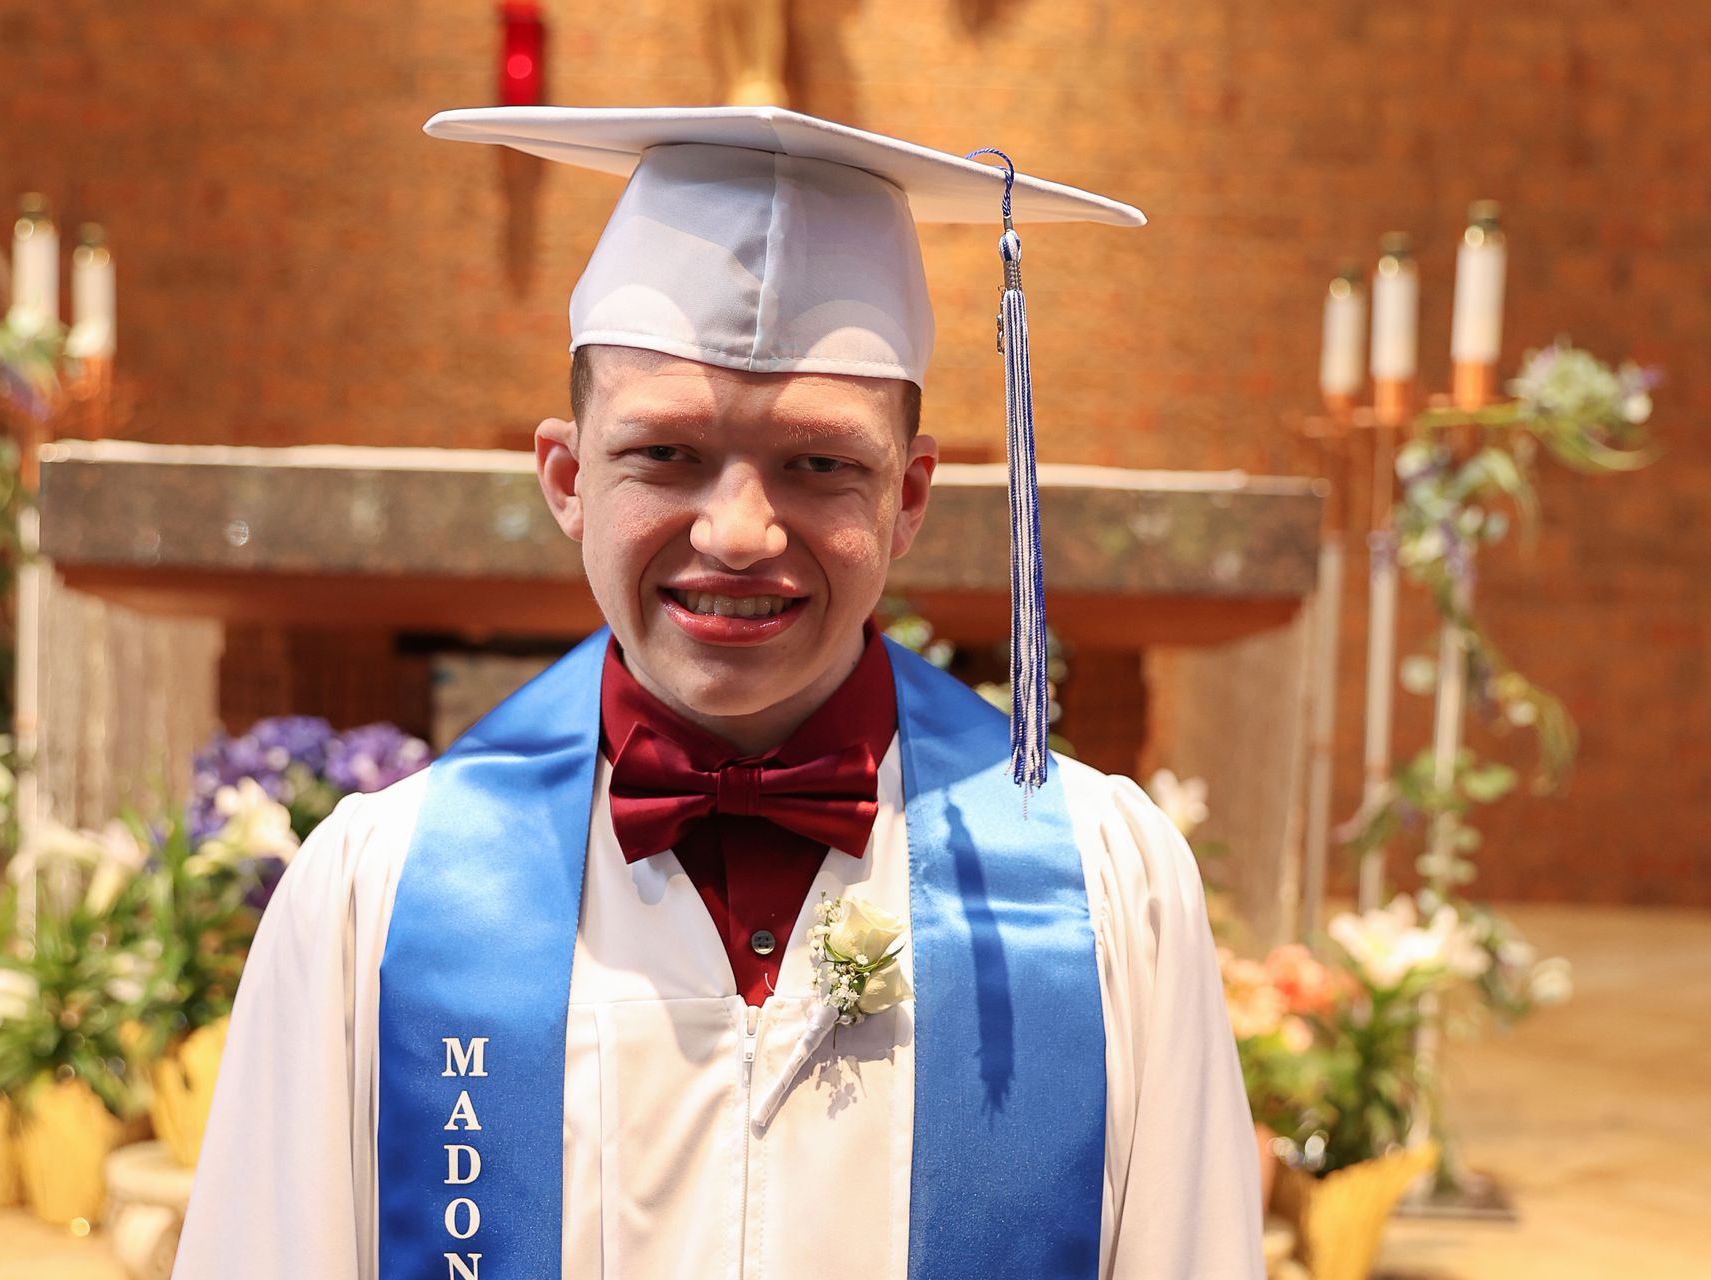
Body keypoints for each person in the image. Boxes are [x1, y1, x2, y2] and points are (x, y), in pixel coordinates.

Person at [175, 106, 1263, 1279]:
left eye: (821, 463)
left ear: (908, 496)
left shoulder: (1102, 892)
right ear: (568, 476)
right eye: (667, 453)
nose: (740, 532)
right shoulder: (377, 897)